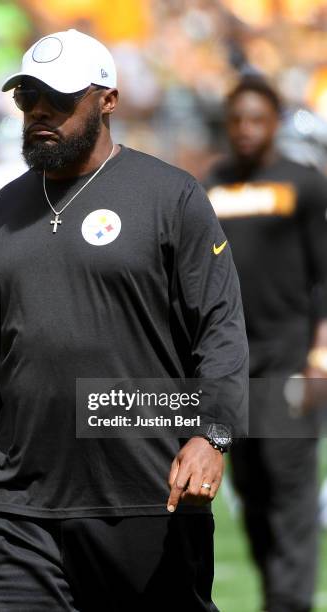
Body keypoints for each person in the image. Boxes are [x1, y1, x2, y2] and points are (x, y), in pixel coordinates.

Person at [0, 29, 248, 611]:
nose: (38, 112)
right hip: (17, 510)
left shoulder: (172, 197)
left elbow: (221, 327)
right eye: (27, 97)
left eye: (57, 98)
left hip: (145, 496)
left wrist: (213, 433)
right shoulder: (2, 211)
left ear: (107, 98)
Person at [205, 77, 327, 612]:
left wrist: (321, 351)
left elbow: (325, 275)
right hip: (233, 367)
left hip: (289, 360)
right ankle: (276, 595)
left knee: (290, 487)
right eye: (237, 120)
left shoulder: (304, 183)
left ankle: (289, 603)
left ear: (275, 122)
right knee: (250, 491)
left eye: (257, 119)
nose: (246, 130)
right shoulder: (211, 186)